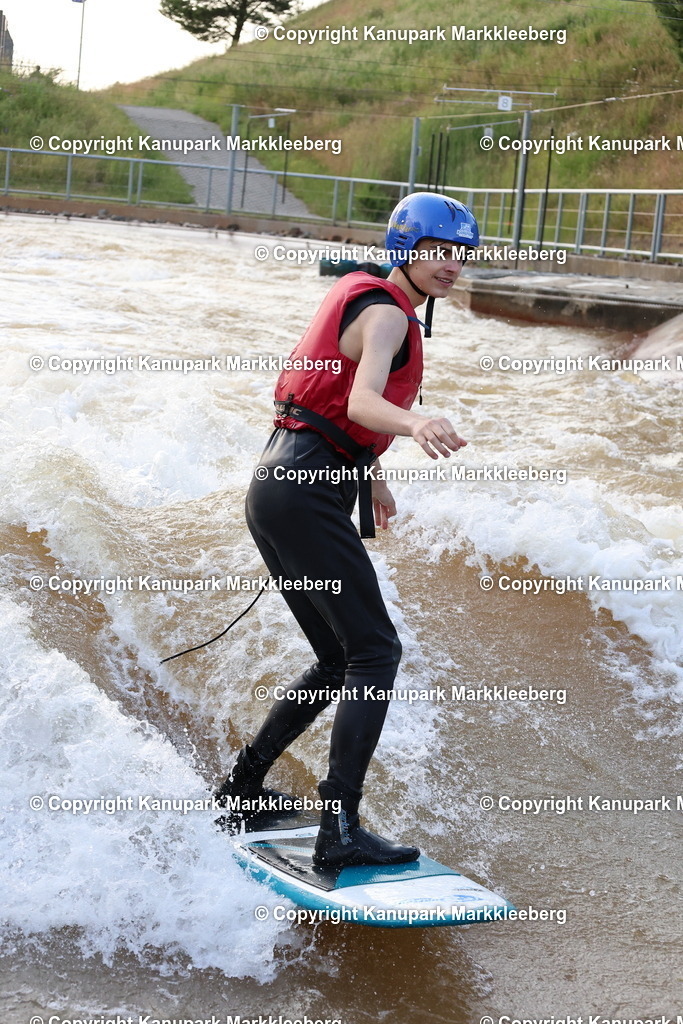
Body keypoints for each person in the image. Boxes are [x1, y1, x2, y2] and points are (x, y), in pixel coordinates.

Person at [215, 191, 480, 867]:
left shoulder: (368, 300)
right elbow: (362, 401)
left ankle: (241, 788)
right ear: (405, 249)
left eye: (459, 254)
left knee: (339, 658)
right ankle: (339, 830)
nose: (451, 264)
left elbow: (333, 413)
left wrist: (372, 475)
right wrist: (417, 423)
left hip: (277, 486)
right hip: (304, 491)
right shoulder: (388, 315)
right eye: (436, 251)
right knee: (375, 652)